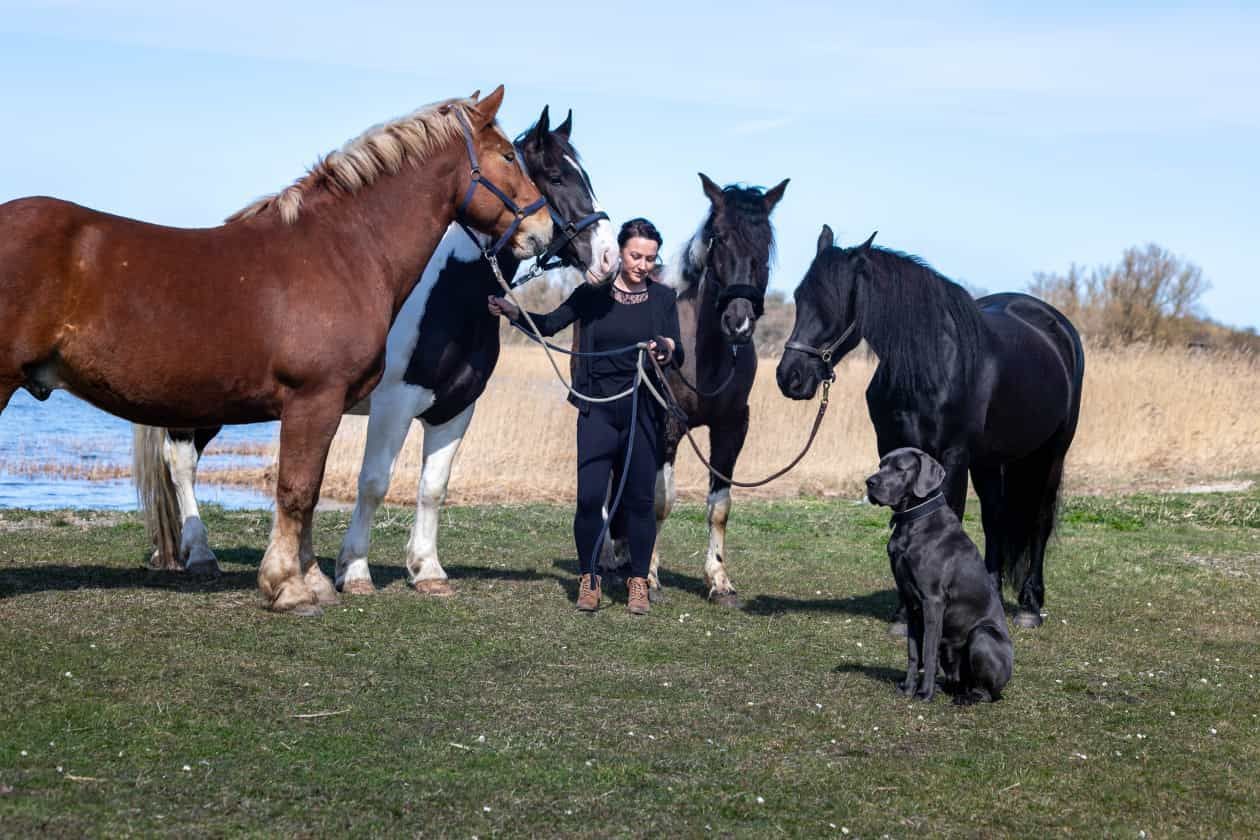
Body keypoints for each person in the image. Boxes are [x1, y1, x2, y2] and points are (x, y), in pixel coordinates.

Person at [488, 218, 682, 615]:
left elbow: (672, 345)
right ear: (621, 252)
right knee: (590, 499)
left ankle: (638, 583)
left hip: (642, 410)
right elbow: (548, 325)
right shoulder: (593, 296)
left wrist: (662, 347)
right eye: (635, 255)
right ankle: (589, 578)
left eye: (649, 258)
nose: (642, 264)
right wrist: (511, 311)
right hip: (596, 410)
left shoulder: (663, 299)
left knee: (640, 501)